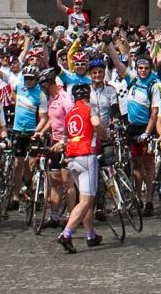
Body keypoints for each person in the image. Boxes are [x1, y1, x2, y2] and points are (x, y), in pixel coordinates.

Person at [56, 72, 100, 253]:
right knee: (87, 199)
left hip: (72, 157)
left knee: (84, 199)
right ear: (88, 96)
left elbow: (65, 138)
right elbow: (96, 124)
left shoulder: (70, 113)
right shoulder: (89, 108)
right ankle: (66, 234)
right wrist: (105, 134)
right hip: (86, 155)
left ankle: (91, 234)